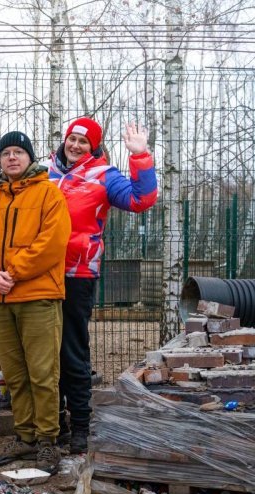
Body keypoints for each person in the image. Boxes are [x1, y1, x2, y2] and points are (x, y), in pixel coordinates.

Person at [47, 118, 157, 454]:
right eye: (72, 138)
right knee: (44, 353)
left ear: (93, 146)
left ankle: (81, 424)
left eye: (84, 141)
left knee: (72, 351)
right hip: (39, 273)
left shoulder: (103, 175)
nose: (76, 145)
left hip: (78, 274)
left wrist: (140, 157)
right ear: (64, 140)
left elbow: (142, 200)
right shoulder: (44, 173)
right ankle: (53, 427)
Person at [0, 131, 71, 473]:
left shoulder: (49, 194)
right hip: (0, 299)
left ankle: (47, 441)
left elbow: (52, 243)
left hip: (38, 297)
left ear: (29, 157)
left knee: (43, 373)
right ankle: (25, 437)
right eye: (5, 153)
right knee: (15, 375)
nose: (12, 158)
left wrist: (12, 271)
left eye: (18, 152)